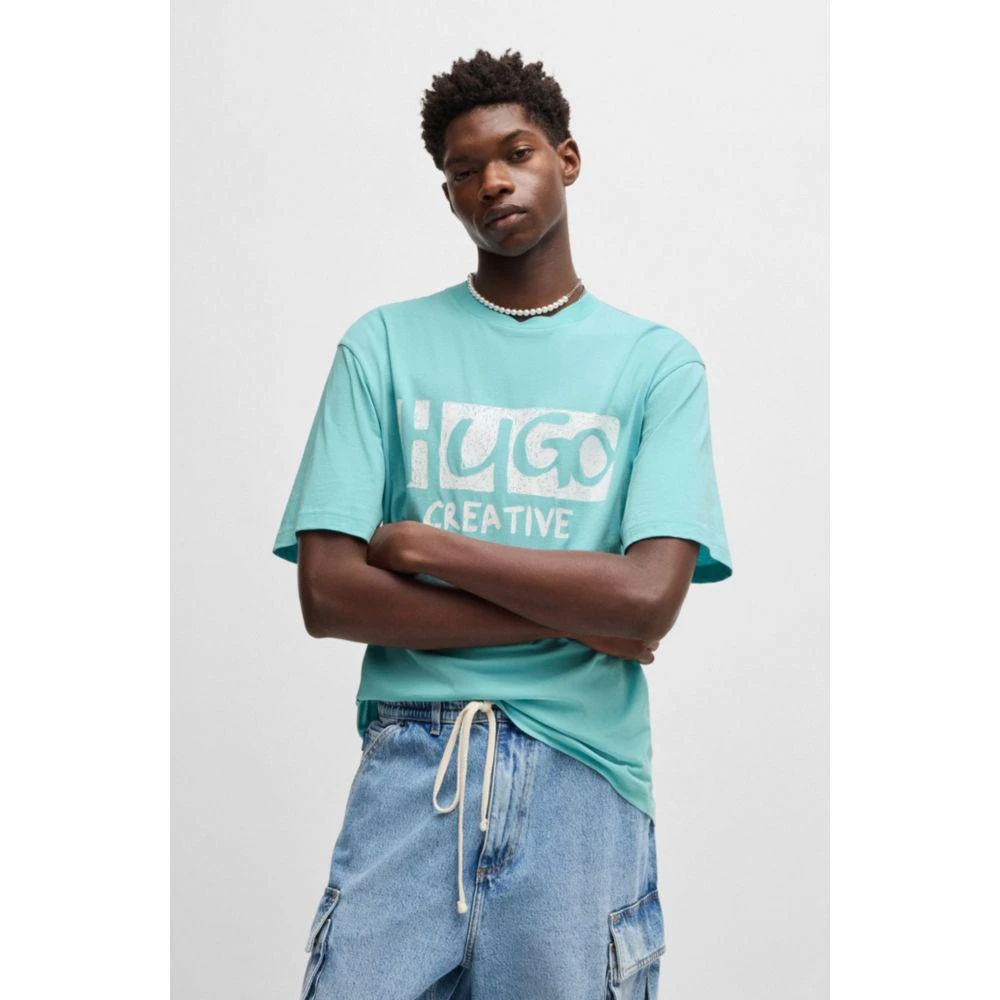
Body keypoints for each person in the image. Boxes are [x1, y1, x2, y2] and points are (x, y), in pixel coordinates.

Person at [272, 47, 733, 1000]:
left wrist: (429, 547)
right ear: (448, 194)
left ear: (567, 158)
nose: (492, 181)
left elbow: (646, 601)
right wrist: (582, 615)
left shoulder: (658, 366)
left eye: (515, 153)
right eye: (463, 169)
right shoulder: (383, 345)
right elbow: (331, 595)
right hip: (416, 768)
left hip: (583, 776)